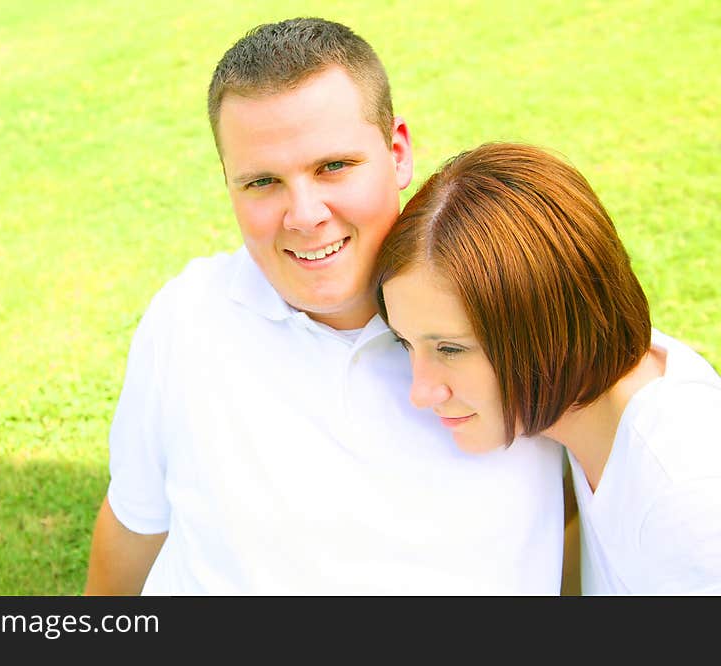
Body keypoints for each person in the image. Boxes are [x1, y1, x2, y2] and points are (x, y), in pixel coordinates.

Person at [84, 19, 565, 595]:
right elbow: (135, 523)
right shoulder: (185, 316)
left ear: (398, 152)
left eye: (332, 166)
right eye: (263, 181)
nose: (305, 215)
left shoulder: (512, 302)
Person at [375, 142, 721, 594]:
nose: (420, 392)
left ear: (549, 324)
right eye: (406, 343)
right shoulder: (602, 399)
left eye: (451, 349)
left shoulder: (687, 505)